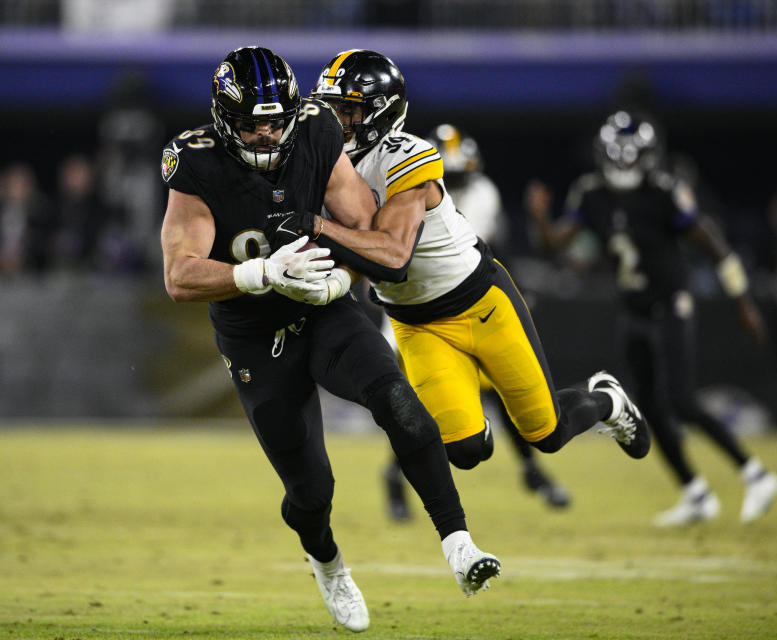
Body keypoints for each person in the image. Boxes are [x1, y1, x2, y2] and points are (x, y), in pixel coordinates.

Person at [158, 46, 500, 634]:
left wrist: (341, 277)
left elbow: (365, 228)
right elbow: (179, 275)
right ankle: (329, 564)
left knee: (399, 402)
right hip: (253, 334)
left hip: (322, 307)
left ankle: (459, 543)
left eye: (274, 118)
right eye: (250, 122)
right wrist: (259, 273)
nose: (266, 133)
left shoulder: (316, 128)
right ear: (222, 119)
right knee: (311, 491)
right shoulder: (197, 163)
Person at [274, 51, 649, 488]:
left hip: (479, 303)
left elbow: (394, 258)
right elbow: (352, 250)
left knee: (548, 432)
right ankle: (467, 407)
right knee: (467, 450)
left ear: (381, 112)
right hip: (416, 323)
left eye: (348, 110)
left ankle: (608, 401)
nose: (334, 120)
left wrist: (319, 227)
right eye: (330, 107)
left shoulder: (405, 156)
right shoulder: (322, 164)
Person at [524, 110, 777, 526]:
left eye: (630, 155)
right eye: (616, 154)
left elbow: (713, 244)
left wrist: (743, 301)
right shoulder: (591, 193)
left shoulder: (663, 191)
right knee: (650, 408)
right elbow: (554, 244)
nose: (622, 163)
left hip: (671, 302)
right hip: (633, 306)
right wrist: (538, 216)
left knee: (680, 400)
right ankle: (695, 493)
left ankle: (756, 474)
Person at [381, 123, 571, 519]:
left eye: (461, 177)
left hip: (464, 301)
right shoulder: (398, 186)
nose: (454, 185)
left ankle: (532, 470)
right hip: (414, 308)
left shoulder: (480, 194)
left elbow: (480, 248)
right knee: (415, 404)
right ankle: (395, 477)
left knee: (507, 394)